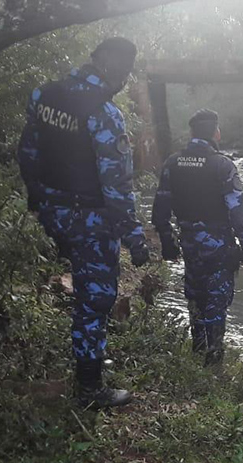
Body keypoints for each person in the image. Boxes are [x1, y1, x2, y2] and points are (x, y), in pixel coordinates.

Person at [18, 38, 149, 409]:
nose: (125, 80)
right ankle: (90, 389)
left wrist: (39, 202)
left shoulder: (44, 95)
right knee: (96, 299)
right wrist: (134, 237)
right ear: (110, 67)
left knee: (84, 287)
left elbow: (28, 152)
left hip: (54, 212)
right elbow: (116, 185)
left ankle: (89, 363)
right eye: (124, 72)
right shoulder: (104, 113)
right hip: (89, 218)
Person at [151, 109, 243, 367]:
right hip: (218, 245)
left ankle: (197, 348)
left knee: (195, 295)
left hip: (189, 244)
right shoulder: (222, 165)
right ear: (215, 133)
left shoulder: (173, 163)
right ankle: (214, 357)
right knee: (217, 299)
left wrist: (167, 240)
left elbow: (161, 207)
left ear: (193, 133)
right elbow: (236, 208)